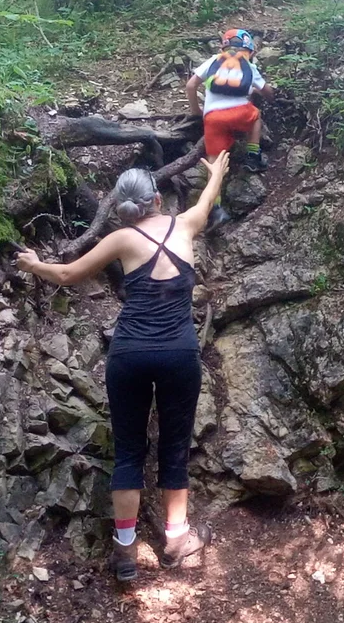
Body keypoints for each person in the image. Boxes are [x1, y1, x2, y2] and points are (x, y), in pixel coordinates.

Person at [15, 155, 229, 585]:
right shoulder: (185, 225)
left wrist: (33, 264)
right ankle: (176, 540)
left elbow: (69, 273)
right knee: (174, 447)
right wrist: (217, 175)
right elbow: (206, 203)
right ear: (157, 198)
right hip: (178, 354)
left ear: (121, 206)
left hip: (129, 354)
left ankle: (126, 551)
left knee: (129, 450)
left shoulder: (120, 239)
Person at [185, 28, 267, 228]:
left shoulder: (213, 61)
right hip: (241, 113)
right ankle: (253, 155)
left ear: (223, 47)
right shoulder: (248, 66)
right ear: (250, 51)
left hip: (213, 118)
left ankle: (215, 209)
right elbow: (265, 90)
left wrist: (196, 111)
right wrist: (271, 96)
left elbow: (190, 85)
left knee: (215, 163)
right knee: (256, 116)